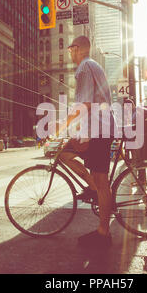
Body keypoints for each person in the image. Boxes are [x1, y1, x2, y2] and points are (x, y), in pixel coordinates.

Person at [58, 35, 113, 249]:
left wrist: (62, 124)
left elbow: (86, 104)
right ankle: (93, 189)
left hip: (99, 130)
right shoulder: (92, 66)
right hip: (96, 129)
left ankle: (103, 233)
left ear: (78, 48)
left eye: (71, 49)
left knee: (102, 182)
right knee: (64, 154)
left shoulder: (84, 67)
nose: (69, 52)